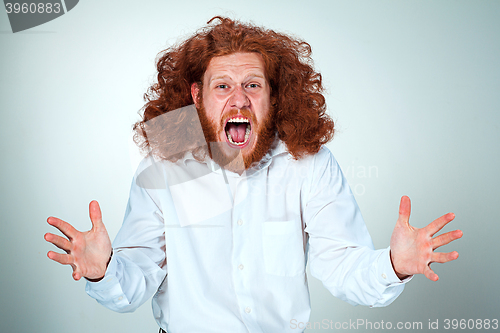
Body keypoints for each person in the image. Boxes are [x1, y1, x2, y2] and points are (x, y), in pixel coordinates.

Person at [45, 17, 463, 333]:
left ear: (273, 95)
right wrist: (104, 269)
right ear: (197, 95)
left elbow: (343, 266)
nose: (238, 99)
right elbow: (133, 282)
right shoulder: (164, 163)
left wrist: (395, 265)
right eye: (222, 86)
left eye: (253, 85)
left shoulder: (310, 162)